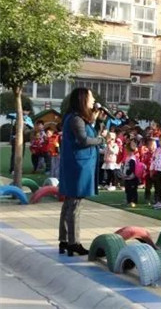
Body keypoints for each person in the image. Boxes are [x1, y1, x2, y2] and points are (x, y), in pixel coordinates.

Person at [58, 88, 105, 256]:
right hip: (78, 166)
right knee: (75, 205)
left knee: (69, 203)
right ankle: (74, 243)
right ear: (83, 99)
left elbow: (89, 134)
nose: (94, 100)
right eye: (91, 97)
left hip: (78, 164)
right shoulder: (76, 119)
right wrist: (101, 140)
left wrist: (97, 121)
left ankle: (64, 240)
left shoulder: (77, 118)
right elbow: (84, 140)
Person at [122, 138, 140, 207]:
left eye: (127, 149)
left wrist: (127, 174)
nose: (126, 151)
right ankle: (128, 200)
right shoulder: (128, 157)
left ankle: (133, 201)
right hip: (127, 177)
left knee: (132, 190)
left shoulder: (132, 158)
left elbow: (132, 168)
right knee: (128, 189)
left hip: (132, 178)